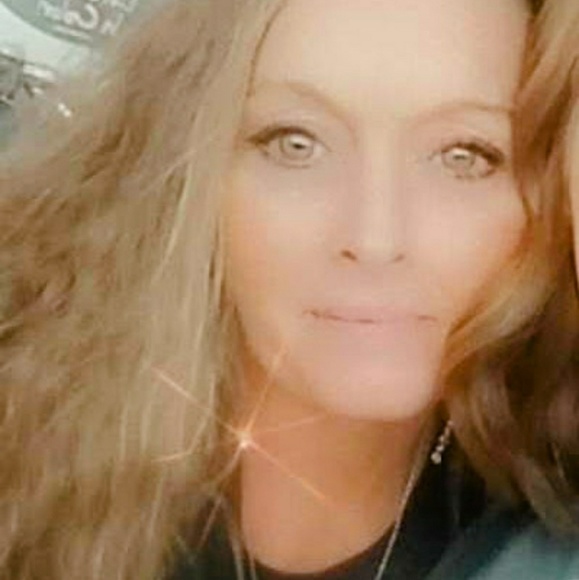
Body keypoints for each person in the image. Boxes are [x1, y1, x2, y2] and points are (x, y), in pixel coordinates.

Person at [0, 0, 576, 579]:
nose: (374, 238)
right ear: (186, 171)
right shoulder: (24, 431)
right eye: (296, 144)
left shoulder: (545, 534)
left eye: (464, 156)